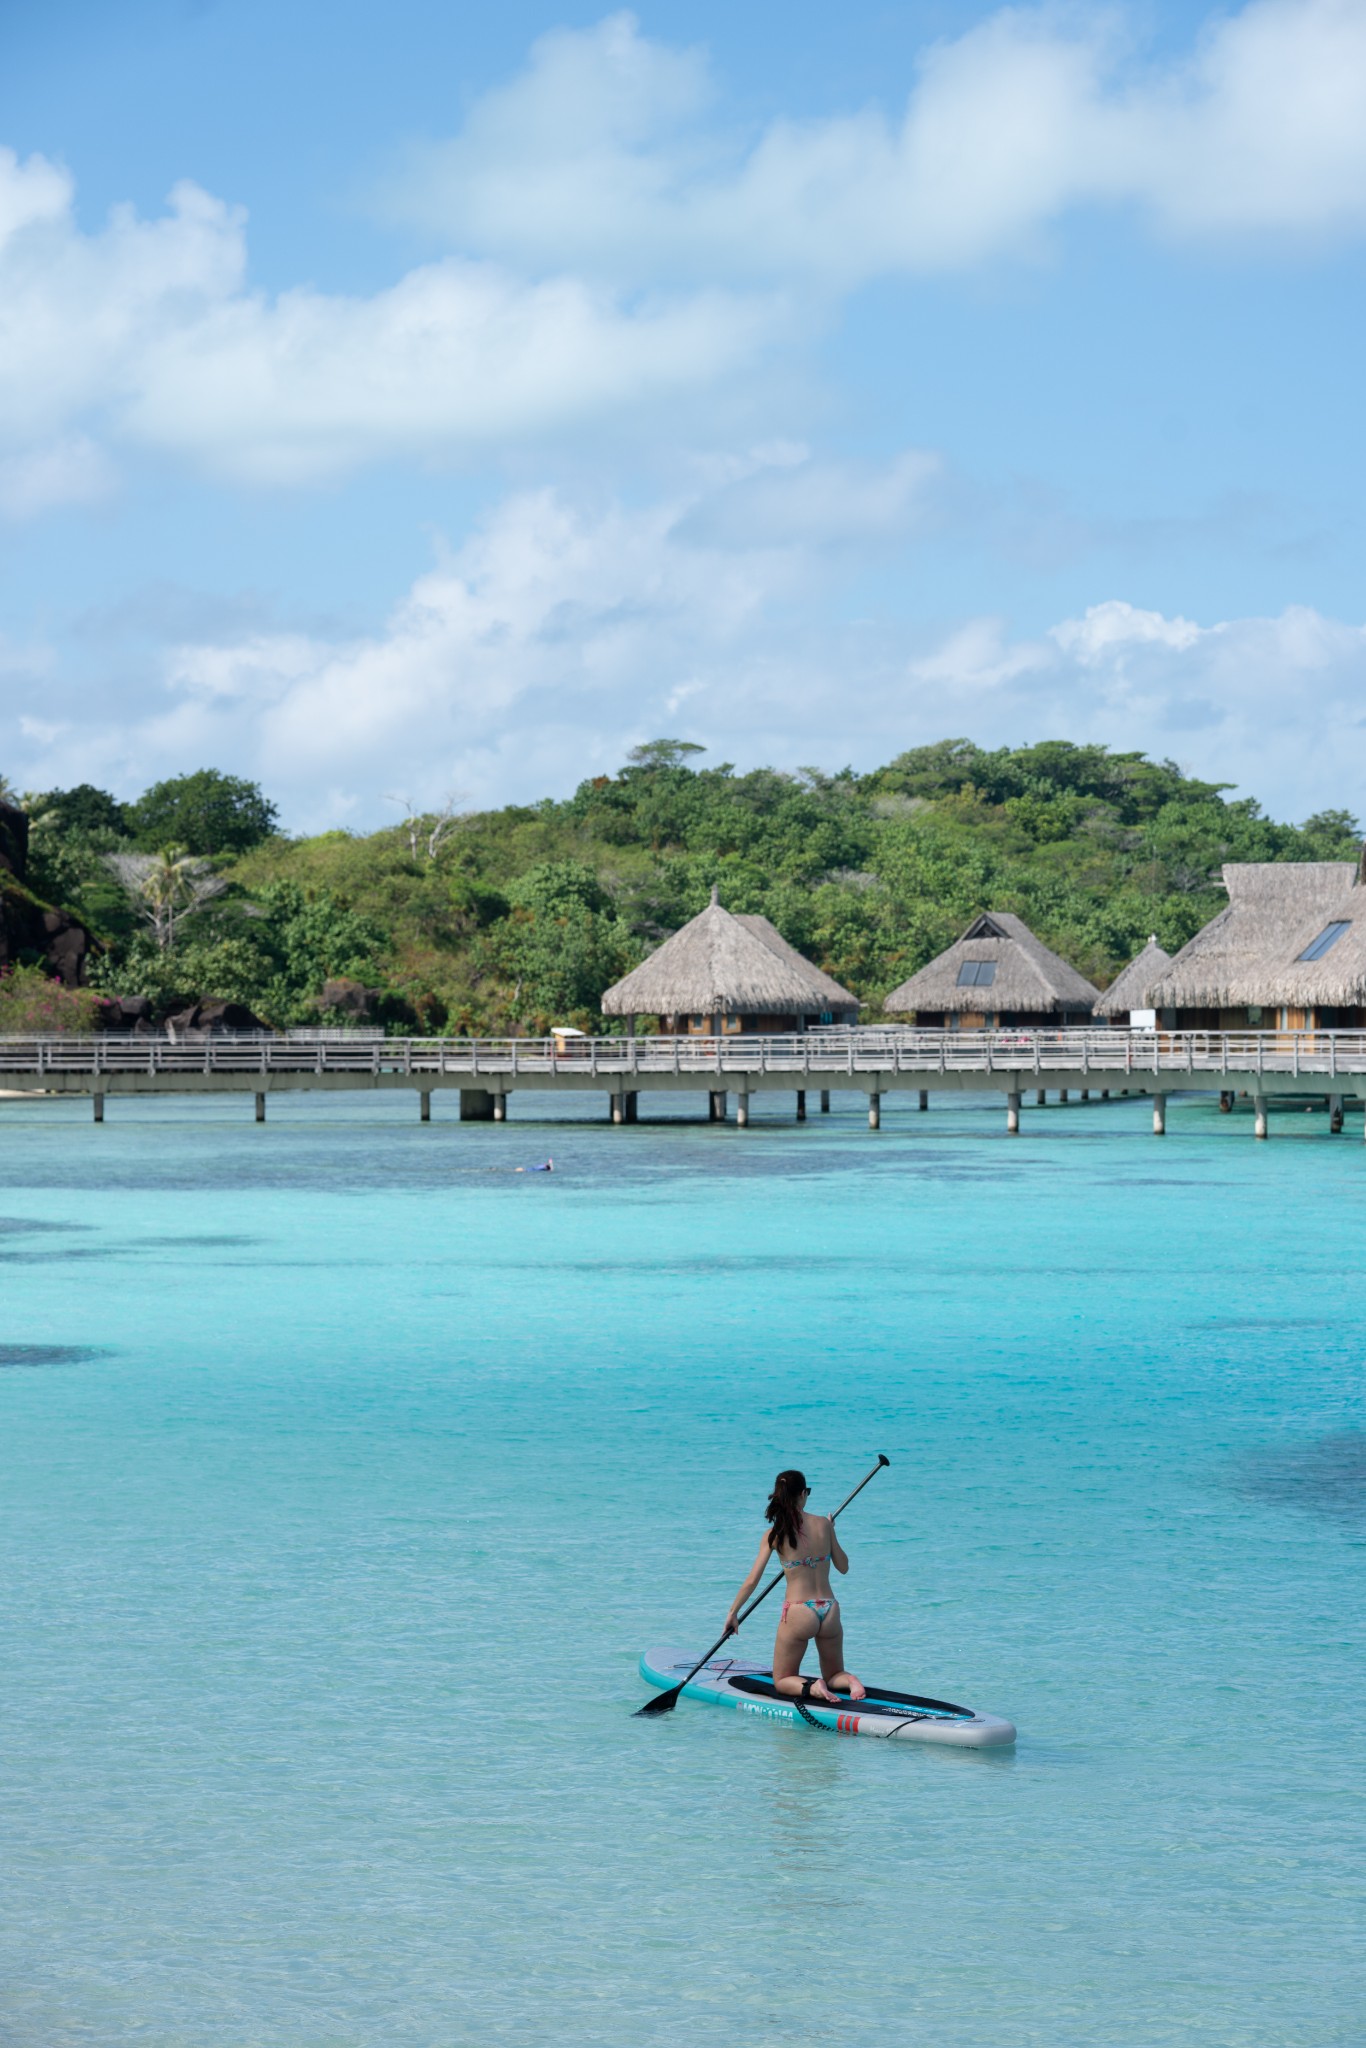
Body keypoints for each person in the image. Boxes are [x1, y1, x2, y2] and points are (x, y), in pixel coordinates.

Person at [724, 1468, 865, 1704]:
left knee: (783, 1679)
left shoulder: (775, 1534)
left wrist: (733, 1612)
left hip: (800, 1611)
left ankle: (812, 1687)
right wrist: (830, 1533)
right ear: (802, 1494)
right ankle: (850, 1680)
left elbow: (752, 1580)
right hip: (829, 1609)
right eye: (807, 1492)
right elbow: (844, 1566)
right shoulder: (823, 1524)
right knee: (834, 1675)